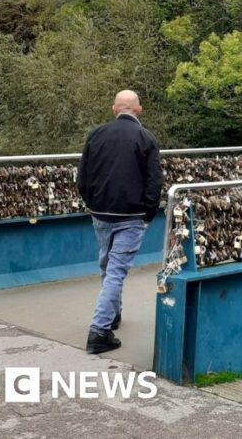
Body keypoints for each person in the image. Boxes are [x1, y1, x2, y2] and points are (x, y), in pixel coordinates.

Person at [77, 90, 163, 354]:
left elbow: (82, 177)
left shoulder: (96, 134)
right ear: (139, 110)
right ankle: (99, 331)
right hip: (130, 216)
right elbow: (154, 182)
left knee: (107, 266)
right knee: (115, 271)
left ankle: (113, 316)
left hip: (100, 214)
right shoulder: (146, 138)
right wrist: (148, 214)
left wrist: (92, 203)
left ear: (115, 109)